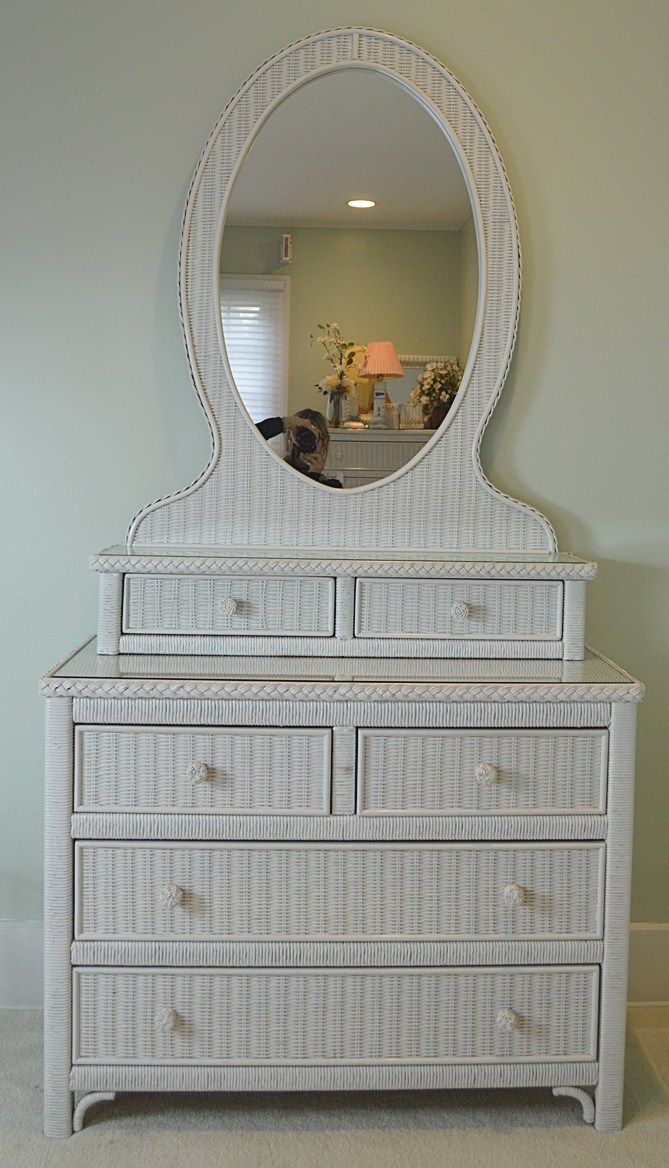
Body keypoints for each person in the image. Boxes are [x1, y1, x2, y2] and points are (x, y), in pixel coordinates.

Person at [256, 409, 342, 487]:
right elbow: (249, 439)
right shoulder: (273, 476)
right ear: (290, 437)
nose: (307, 440)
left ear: (324, 443)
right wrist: (286, 422)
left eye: (312, 437)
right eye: (302, 435)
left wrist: (314, 475)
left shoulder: (332, 488)